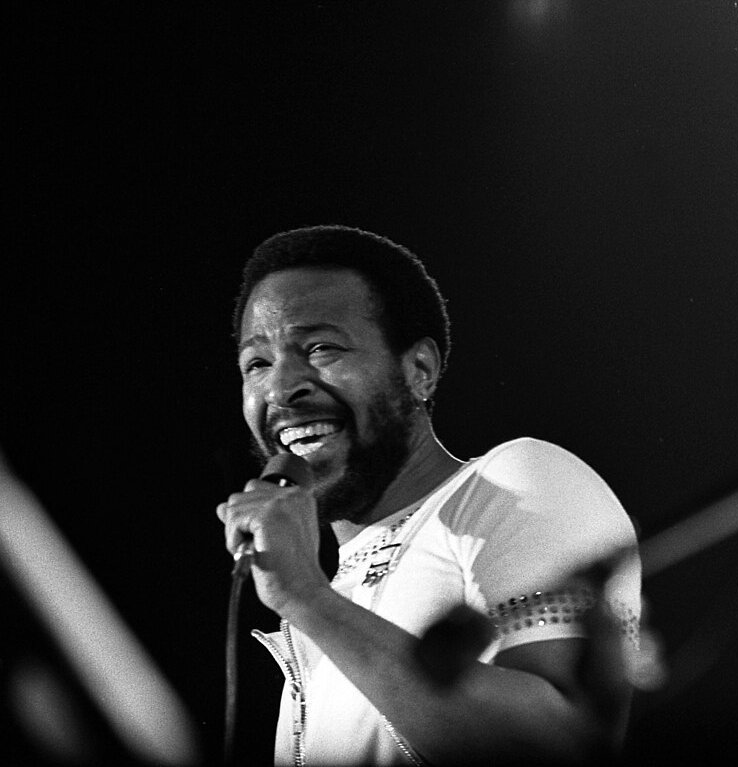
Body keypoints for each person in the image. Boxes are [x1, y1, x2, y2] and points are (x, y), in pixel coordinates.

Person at [216, 225, 640, 766]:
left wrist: (305, 597)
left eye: (321, 347)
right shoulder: (334, 592)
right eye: (257, 363)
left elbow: (569, 746)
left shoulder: (512, 482)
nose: (281, 389)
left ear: (419, 370)